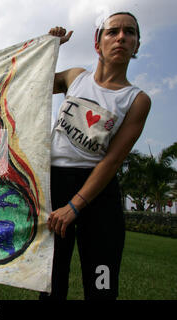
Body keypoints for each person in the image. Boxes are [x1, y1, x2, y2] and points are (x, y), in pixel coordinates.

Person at [40, 12, 151, 300]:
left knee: (101, 286)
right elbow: (29, 83)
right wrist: (48, 47)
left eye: (130, 33)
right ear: (97, 42)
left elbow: (112, 160)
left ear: (136, 45)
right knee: (51, 284)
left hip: (98, 192)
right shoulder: (76, 78)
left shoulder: (137, 100)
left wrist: (74, 207)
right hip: (55, 184)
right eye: (113, 31)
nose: (122, 37)